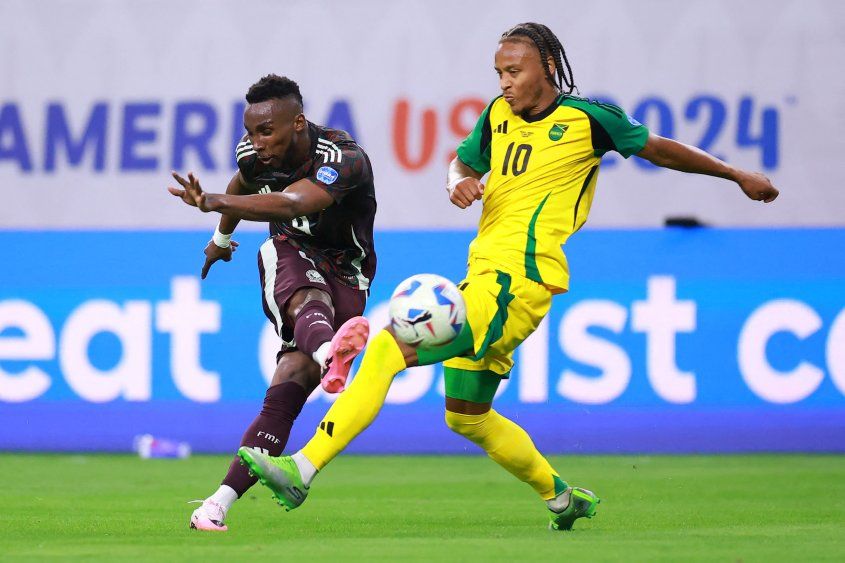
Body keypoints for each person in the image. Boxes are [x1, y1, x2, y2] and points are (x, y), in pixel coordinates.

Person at [239, 23, 780, 531]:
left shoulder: (590, 118)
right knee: (468, 416)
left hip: (519, 278)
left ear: (546, 66)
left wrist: (734, 174)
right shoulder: (498, 114)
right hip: (483, 276)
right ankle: (564, 499)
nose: (505, 83)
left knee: (385, 350)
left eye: (514, 71)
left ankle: (303, 469)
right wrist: (459, 181)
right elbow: (463, 161)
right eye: (499, 72)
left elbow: (660, 149)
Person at [167, 74, 377, 532]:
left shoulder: (344, 159)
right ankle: (330, 352)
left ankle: (216, 503)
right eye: (249, 132)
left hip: (350, 272)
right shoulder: (254, 155)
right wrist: (221, 237)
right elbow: (243, 183)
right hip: (290, 252)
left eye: (266, 131)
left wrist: (210, 203)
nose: (255, 142)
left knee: (292, 378)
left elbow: (292, 202)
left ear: (297, 123)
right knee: (306, 295)